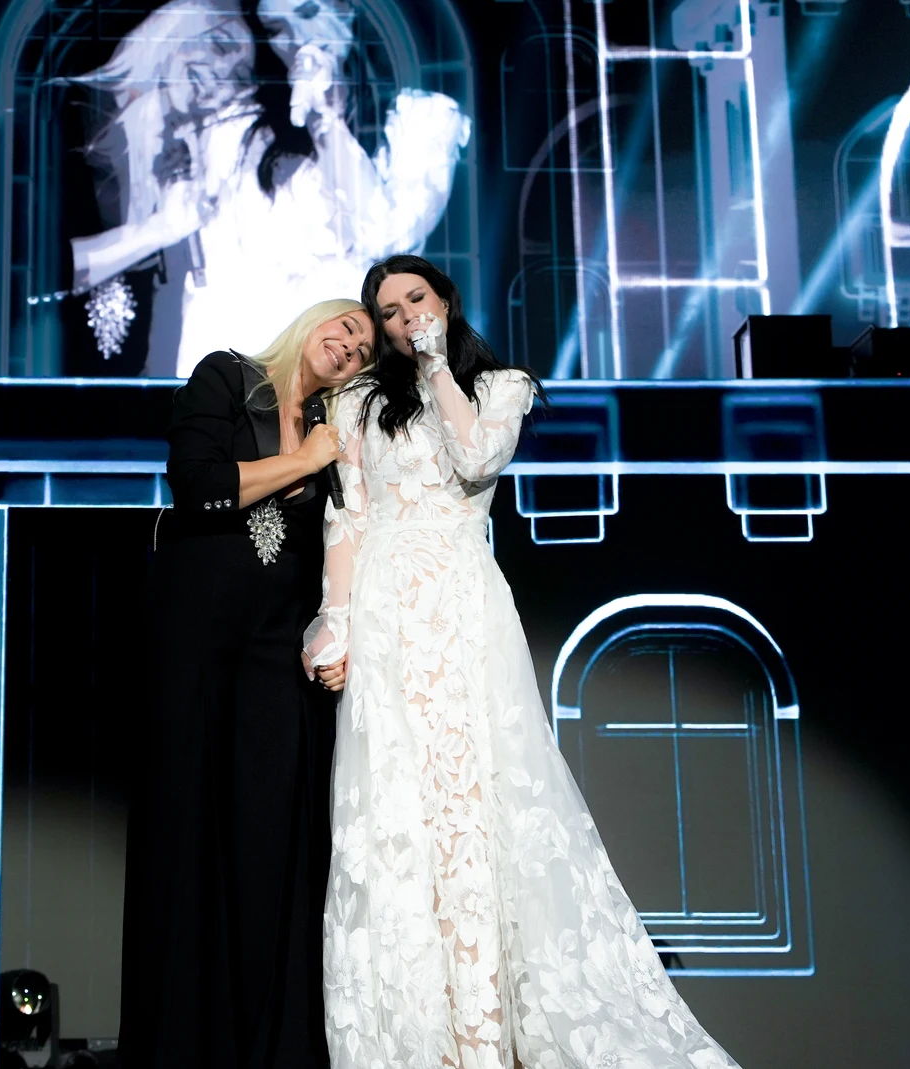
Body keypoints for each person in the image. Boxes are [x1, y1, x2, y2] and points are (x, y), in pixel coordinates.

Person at [304, 256, 742, 1069]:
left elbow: (475, 461)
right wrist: (333, 620)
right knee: (394, 811)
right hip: (386, 610)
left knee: (475, 808)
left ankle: (484, 1034)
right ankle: (418, 1040)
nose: (403, 320)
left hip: (464, 608)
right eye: (389, 313)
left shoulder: (502, 386)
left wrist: (438, 366)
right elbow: (349, 516)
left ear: (445, 300)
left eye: (414, 301)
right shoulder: (359, 402)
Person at [119, 298, 376, 1069]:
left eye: (364, 347)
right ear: (313, 321)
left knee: (274, 840)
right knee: (187, 832)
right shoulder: (227, 377)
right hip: (195, 641)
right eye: (346, 325)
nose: (351, 345)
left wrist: (346, 629)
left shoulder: (345, 438)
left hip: (278, 655)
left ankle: (275, 1045)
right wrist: (304, 459)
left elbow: (350, 544)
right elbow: (197, 485)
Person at [59, 0, 468, 375]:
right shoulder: (232, 129)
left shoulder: (425, 120)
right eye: (275, 26)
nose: (295, 39)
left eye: (306, 13)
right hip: (232, 369)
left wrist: (326, 122)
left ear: (346, 11)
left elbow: (387, 236)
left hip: (340, 380)